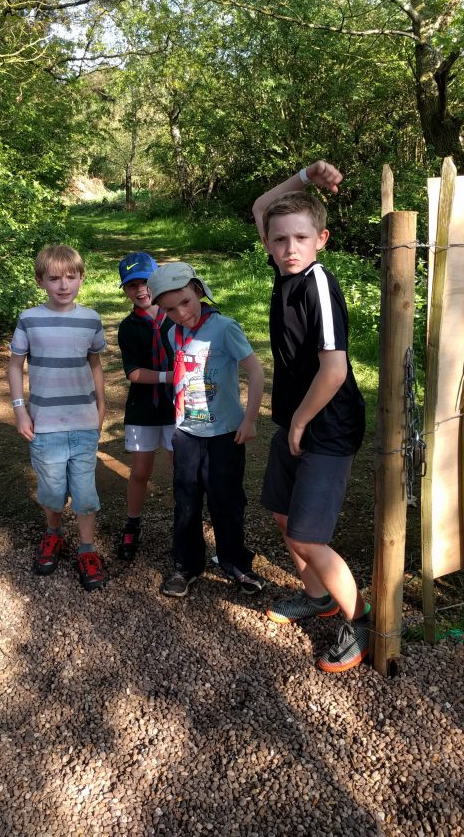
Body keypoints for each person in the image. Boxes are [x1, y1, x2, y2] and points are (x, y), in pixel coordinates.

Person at [252, 160, 370, 673]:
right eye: (280, 240)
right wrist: (305, 176)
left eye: (301, 238)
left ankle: (361, 620)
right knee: (283, 514)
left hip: (327, 426)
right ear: (269, 243)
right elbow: (262, 206)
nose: (289, 248)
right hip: (295, 420)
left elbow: (335, 370)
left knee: (305, 535)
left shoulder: (317, 282)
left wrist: (299, 422)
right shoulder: (284, 271)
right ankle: (318, 597)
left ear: (321, 239)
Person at [147, 261, 265, 598]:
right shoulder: (172, 332)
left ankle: (236, 563)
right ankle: (186, 565)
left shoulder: (224, 328)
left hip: (225, 434)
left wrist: (250, 420)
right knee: (185, 501)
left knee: (226, 501)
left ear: (198, 291)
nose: (181, 313)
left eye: (185, 302)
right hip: (186, 433)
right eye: (170, 309)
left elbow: (256, 372)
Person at [7, 243, 108, 592]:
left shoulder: (91, 319)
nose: (63, 285)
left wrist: (102, 405)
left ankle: (87, 549)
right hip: (44, 426)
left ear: (81, 278)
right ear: (40, 281)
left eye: (70, 277)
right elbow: (15, 365)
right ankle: (54, 534)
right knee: (51, 491)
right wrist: (19, 410)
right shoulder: (29, 319)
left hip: (83, 422)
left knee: (85, 493)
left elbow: (95, 363)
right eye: (54, 279)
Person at [115, 251, 176, 562]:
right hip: (143, 407)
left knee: (182, 470)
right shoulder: (128, 328)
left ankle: (184, 523)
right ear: (125, 290)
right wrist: (169, 376)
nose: (140, 290)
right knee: (140, 471)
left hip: (178, 406)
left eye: (145, 282)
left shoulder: (177, 316)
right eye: (132, 285)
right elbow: (134, 373)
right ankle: (132, 523)